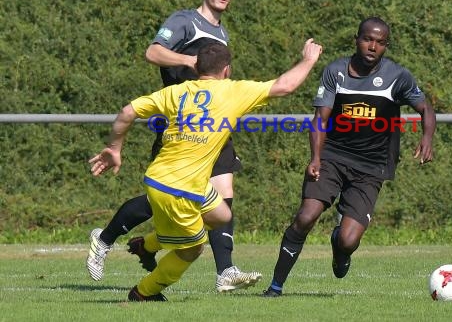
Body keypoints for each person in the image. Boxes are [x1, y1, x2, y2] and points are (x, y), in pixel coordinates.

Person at [89, 39, 323, 301]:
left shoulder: (176, 92)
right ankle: (143, 293)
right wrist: (309, 59)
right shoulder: (234, 91)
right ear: (227, 70)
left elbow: (127, 111)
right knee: (192, 250)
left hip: (170, 180)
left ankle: (146, 245)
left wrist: (114, 148)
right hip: (179, 189)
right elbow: (285, 86)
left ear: (196, 67)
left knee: (221, 215)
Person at [86, 0, 258, 292]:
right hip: (180, 127)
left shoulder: (221, 32)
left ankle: (225, 270)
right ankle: (106, 239)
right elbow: (153, 52)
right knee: (160, 198)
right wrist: (188, 60)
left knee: (224, 193)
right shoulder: (185, 21)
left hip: (212, 127)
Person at [262, 17, 436, 297]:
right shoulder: (336, 72)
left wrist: (427, 138)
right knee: (306, 216)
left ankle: (339, 246)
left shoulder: (397, 76)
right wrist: (315, 158)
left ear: (386, 46)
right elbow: (320, 118)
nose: (372, 46)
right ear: (356, 39)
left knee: (348, 239)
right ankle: (275, 286)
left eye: (380, 42)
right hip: (332, 156)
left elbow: (426, 108)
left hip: (371, 167)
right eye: (367, 39)